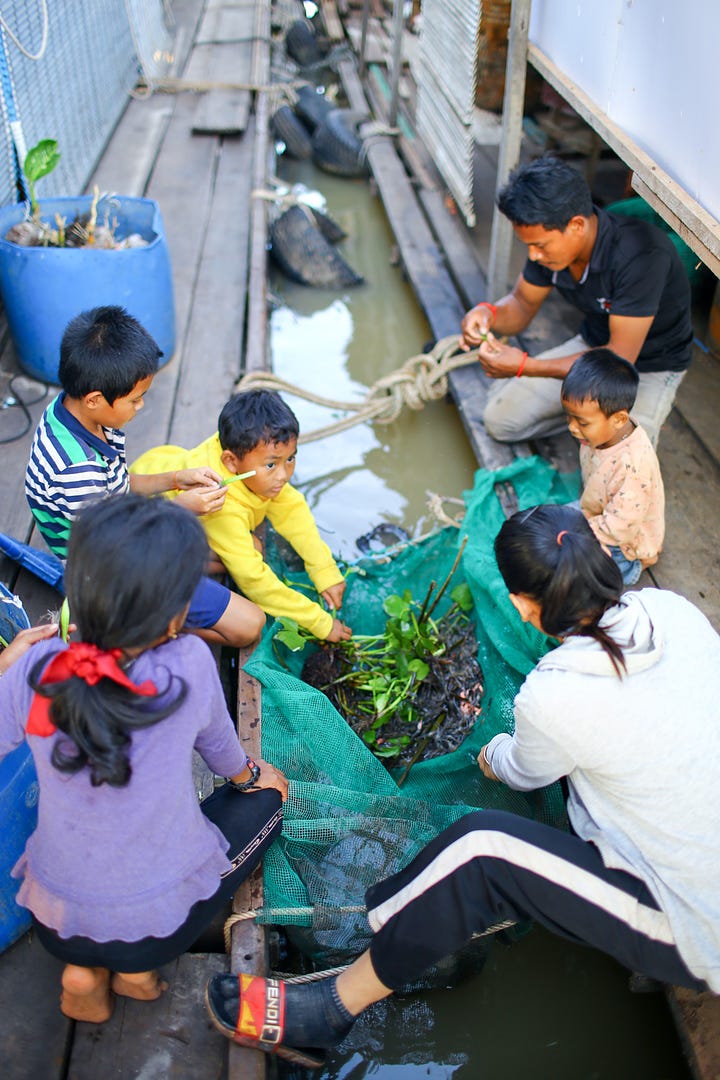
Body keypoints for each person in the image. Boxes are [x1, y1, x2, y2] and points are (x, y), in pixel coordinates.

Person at [204, 504, 720, 1061]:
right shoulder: (672, 612)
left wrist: (492, 751)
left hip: (692, 920)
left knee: (480, 851)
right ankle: (398, 916)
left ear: (523, 605)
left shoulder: (556, 693)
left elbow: (523, 771)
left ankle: (332, 1007)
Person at [0, 494, 288, 1024]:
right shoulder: (188, 664)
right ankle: (134, 976)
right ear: (175, 613)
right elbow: (224, 755)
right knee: (268, 800)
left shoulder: (38, 667)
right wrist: (256, 777)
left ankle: (82, 975)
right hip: (157, 927)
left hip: (55, 916)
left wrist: (6, 666)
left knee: (91, 907)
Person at [24, 305, 264, 648]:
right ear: (94, 399)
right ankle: (144, 623)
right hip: (107, 569)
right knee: (250, 626)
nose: (140, 407)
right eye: (135, 399)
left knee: (244, 550)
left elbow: (117, 484)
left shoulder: (79, 414)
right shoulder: (75, 471)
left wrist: (177, 478)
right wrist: (181, 507)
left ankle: (155, 609)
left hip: (117, 533)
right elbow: (113, 547)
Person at [459, 157, 693, 447]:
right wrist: (488, 313)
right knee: (499, 421)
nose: (533, 256)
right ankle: (580, 415)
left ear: (577, 225)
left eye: (540, 245)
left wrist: (525, 366)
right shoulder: (550, 249)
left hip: (648, 366)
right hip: (593, 345)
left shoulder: (641, 256)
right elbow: (521, 303)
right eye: (528, 246)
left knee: (619, 460)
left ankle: (585, 417)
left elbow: (617, 360)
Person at [131, 389, 352, 643]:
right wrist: (319, 621)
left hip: (168, 500)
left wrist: (325, 571)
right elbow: (254, 580)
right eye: (272, 464)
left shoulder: (246, 453)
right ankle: (166, 624)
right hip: (144, 539)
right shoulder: (221, 504)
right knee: (248, 565)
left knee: (251, 547)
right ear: (231, 462)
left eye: (290, 459)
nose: (283, 474)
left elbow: (293, 510)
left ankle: (199, 559)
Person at [561, 349, 664, 585]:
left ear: (619, 419)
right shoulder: (596, 435)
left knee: (572, 572)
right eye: (569, 417)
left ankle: (629, 570)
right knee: (549, 525)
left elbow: (619, 529)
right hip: (598, 515)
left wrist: (575, 531)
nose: (572, 428)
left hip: (626, 547)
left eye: (582, 422)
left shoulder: (633, 465)